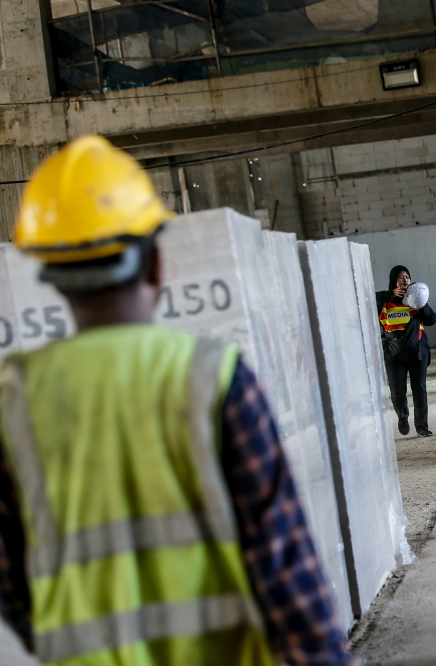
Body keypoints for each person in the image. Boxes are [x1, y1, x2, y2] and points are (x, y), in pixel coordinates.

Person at [0, 136, 359, 665]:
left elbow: (13, 586)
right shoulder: (212, 378)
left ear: (52, 277)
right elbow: (284, 567)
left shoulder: (14, 401)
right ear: (155, 265)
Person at [377, 266, 436, 437]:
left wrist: (422, 304)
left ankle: (422, 427)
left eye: (407, 277)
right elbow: (368, 301)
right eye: (401, 277)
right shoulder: (383, 301)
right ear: (394, 281)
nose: (405, 280)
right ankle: (402, 417)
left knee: (419, 389)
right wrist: (390, 295)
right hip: (394, 355)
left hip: (417, 353)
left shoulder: (416, 299)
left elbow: (432, 319)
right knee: (397, 391)